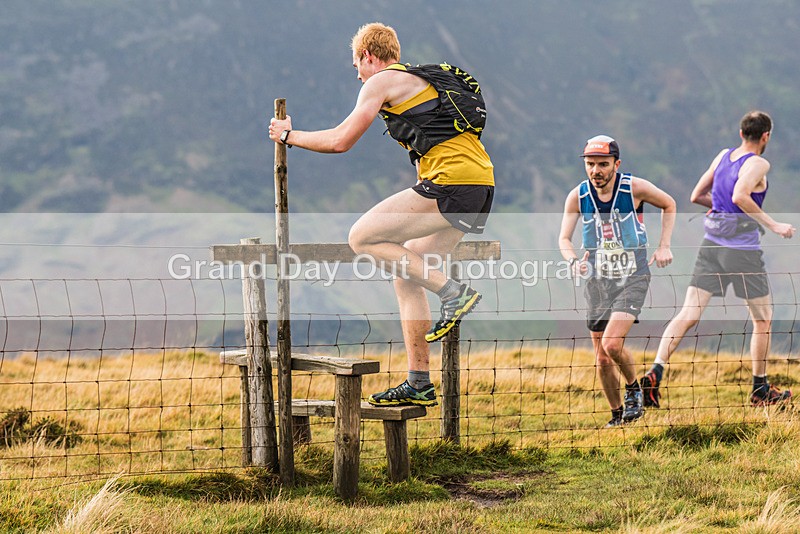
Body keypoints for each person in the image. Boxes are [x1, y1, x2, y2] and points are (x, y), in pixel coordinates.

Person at [267, 22, 494, 407]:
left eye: (356, 65)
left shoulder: (380, 81)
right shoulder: (421, 80)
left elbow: (341, 141)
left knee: (362, 237)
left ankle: (453, 293)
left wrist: (289, 135)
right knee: (406, 270)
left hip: (452, 183)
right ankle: (419, 380)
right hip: (481, 184)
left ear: (368, 56)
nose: (357, 74)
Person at [640, 111, 795, 409]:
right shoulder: (759, 163)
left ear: (741, 134)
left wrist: (721, 211)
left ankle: (655, 372)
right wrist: (773, 225)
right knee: (763, 319)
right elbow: (740, 195)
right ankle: (760, 389)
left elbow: (697, 195)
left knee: (688, 313)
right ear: (766, 137)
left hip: (711, 246)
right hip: (743, 251)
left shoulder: (723, 156)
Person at [559, 135, 675, 427]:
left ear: (616, 163)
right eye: (590, 164)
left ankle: (635, 389)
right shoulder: (578, 196)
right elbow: (563, 238)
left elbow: (669, 204)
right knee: (601, 358)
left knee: (612, 345)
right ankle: (617, 414)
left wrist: (664, 245)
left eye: (602, 164)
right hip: (598, 279)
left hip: (632, 277)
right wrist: (573, 261)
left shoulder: (633, 188)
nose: (596, 170)